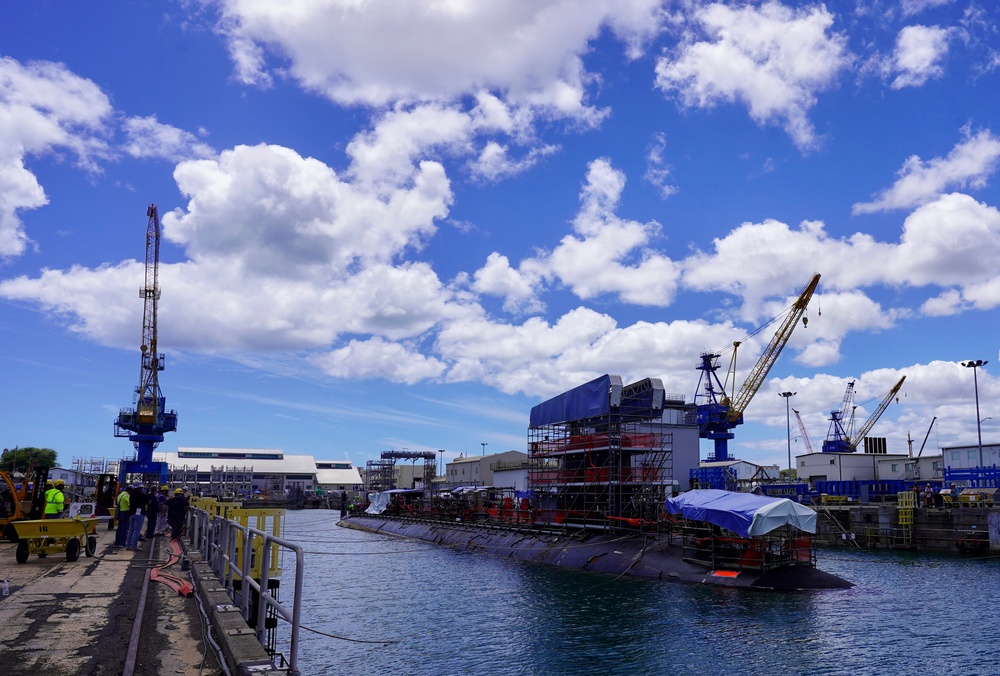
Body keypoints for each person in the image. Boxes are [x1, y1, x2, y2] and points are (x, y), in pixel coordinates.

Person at [126, 485, 148, 550]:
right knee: (137, 531)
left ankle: (128, 545)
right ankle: (134, 546)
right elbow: (149, 502)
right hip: (139, 514)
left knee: (131, 530)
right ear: (140, 489)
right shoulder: (143, 496)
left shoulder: (131, 496)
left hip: (132, 514)